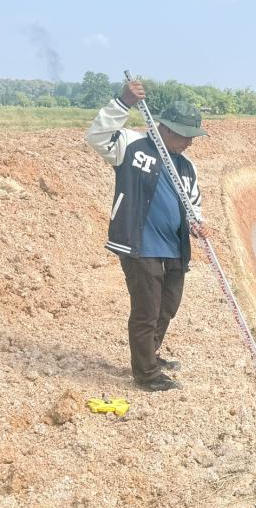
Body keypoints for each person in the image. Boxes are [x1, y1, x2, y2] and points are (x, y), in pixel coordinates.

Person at [85, 79, 209, 391]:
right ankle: (146, 374)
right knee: (146, 311)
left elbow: (193, 203)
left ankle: (149, 354)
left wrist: (197, 223)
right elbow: (97, 136)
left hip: (174, 249)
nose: (190, 143)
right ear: (166, 128)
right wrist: (122, 102)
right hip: (139, 246)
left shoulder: (186, 166)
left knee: (167, 307)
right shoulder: (130, 145)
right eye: (185, 136)